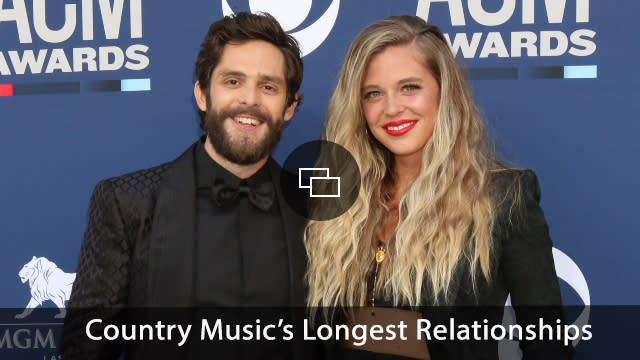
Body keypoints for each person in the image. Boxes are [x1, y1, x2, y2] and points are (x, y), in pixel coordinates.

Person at [304, 16, 573, 359]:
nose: (391, 108)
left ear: (444, 91)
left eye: (409, 87)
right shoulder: (338, 198)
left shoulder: (504, 197)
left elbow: (548, 343)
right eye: (373, 94)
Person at [61, 12, 311, 359]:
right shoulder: (127, 201)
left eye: (268, 87)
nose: (250, 100)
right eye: (232, 81)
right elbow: (84, 348)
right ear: (202, 95)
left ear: (289, 107)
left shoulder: (317, 210)